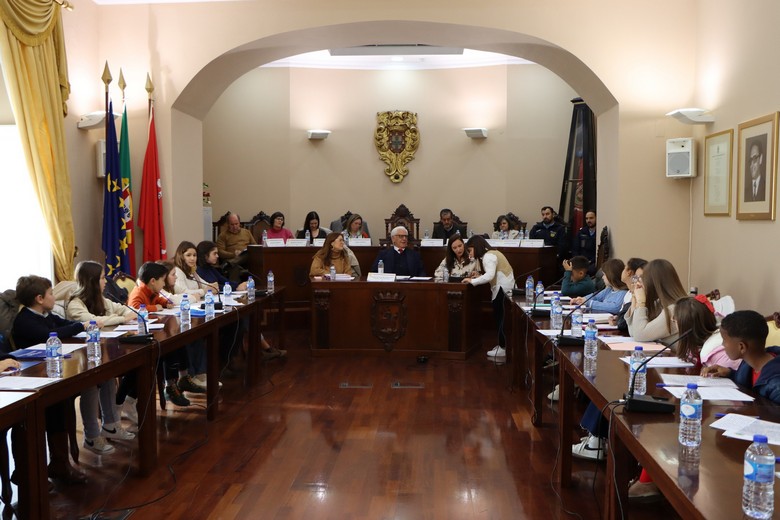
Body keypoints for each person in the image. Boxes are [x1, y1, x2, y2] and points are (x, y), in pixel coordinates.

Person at [12, 275, 88, 484]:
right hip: (28, 378)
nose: (54, 297)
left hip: (46, 374)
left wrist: (80, 325)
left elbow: (65, 325)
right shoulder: (25, 320)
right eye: (51, 293)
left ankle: (59, 464)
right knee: (47, 406)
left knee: (59, 401)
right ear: (39, 298)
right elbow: (49, 334)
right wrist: (81, 326)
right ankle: (27, 472)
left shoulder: (46, 314)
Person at [66, 261, 136, 455]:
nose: (106, 281)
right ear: (91, 281)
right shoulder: (75, 303)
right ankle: (91, 435)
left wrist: (122, 316)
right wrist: (121, 319)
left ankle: (111, 425)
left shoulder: (101, 299)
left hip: (100, 350)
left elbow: (125, 310)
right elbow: (93, 322)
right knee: (91, 383)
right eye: (102, 278)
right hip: (79, 358)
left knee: (108, 377)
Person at [129, 262, 203, 406]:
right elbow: (134, 309)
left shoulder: (151, 291)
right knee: (170, 344)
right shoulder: (138, 292)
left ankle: (183, 378)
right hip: (140, 336)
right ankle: (170, 386)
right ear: (153, 281)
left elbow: (159, 300)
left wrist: (165, 303)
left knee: (178, 339)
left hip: (153, 331)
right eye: (163, 280)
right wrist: (154, 307)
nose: (164, 284)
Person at [702, 310, 780, 401]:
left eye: (724, 340)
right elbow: (751, 381)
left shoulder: (776, 385)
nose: (722, 344)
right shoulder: (749, 363)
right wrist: (730, 373)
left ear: (741, 347)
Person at [462, 235, 515, 361]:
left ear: (476, 247)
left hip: (502, 290)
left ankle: (503, 348)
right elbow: (491, 273)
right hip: (505, 288)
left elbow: (490, 276)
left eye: (470, 250)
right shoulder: (492, 253)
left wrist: (472, 281)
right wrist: (479, 276)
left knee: (501, 319)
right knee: (501, 318)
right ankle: (502, 345)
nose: (469, 254)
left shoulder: (488, 256)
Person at [625, 258, 687, 343]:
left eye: (642, 278)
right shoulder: (658, 304)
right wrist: (634, 299)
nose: (638, 282)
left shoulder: (674, 309)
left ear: (654, 282)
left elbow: (639, 335)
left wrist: (641, 303)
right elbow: (633, 332)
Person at [610, 257, 648, 333]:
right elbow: (623, 320)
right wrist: (617, 318)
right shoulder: (628, 293)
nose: (637, 281)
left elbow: (623, 324)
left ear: (629, 272)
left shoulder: (640, 295)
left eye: (624, 268)